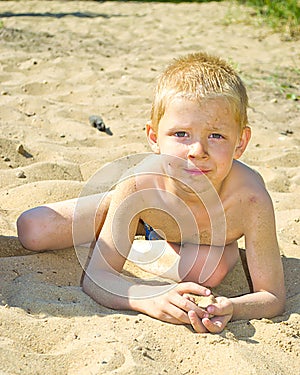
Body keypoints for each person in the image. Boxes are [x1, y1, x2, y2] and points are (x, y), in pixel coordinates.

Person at [17, 52, 285, 333]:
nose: (197, 151)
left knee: (207, 272)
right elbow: (97, 277)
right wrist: (147, 298)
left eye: (216, 136)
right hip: (151, 208)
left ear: (240, 143)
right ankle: (129, 217)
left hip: (208, 237)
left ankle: (140, 230)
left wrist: (233, 307)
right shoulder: (138, 185)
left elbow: (272, 297)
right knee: (33, 229)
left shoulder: (250, 200)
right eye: (181, 134)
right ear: (154, 137)